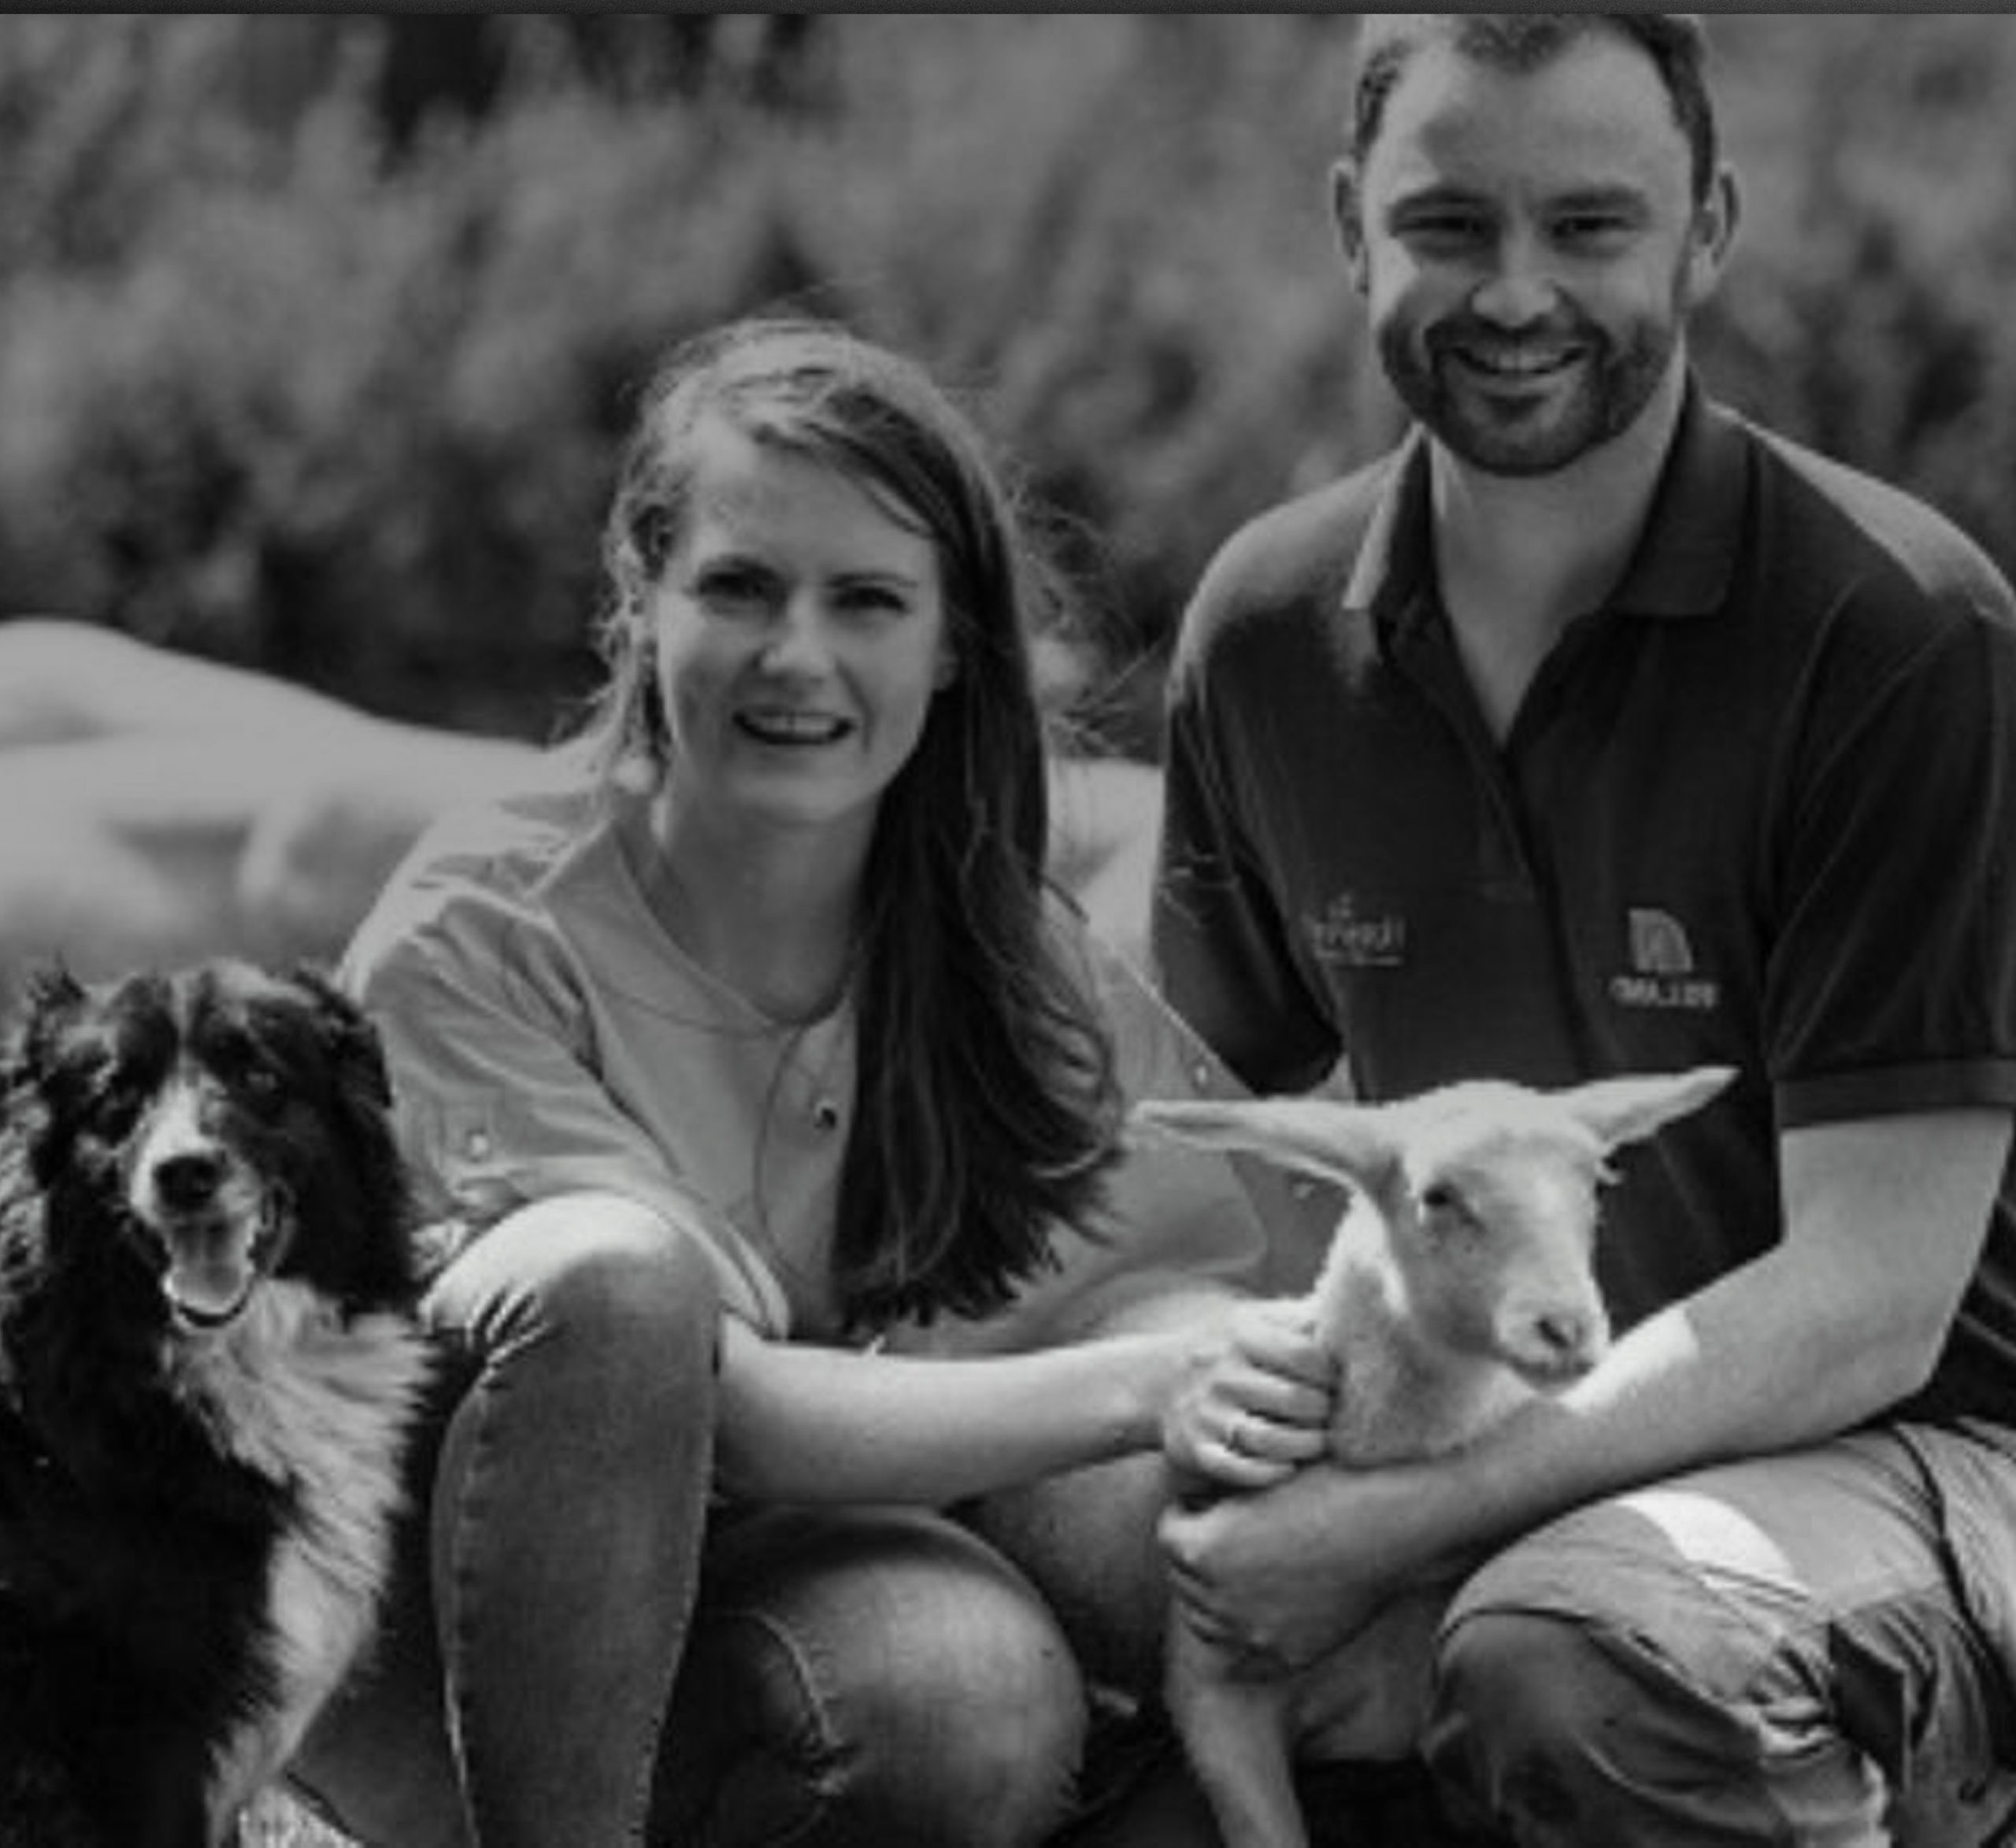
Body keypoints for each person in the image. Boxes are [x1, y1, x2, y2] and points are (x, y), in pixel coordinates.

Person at [284, 317, 1333, 1847]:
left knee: (1138, 1567)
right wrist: (1142, 1382)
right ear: (640, 599)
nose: (798, 656)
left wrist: (1275, 1381)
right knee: (631, 1295)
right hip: (456, 1642)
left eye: (865, 601)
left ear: (950, 640)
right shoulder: (482, 925)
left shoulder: (997, 950)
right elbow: (721, 1404)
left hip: (789, 1584)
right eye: (738, 587)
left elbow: (1170, 1288)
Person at [1151, 13, 2016, 1845]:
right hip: (1488, 1436)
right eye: (1449, 225)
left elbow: (1872, 1301)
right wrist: (1215, 1369)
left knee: (1578, 1656)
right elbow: (1192, 1152)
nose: (1515, 291)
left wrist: (1389, 1523)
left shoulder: (1899, 636)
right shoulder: (1260, 631)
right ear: (1346, 223)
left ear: (1705, 227)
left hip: (1919, 1448)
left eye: (1589, 226)